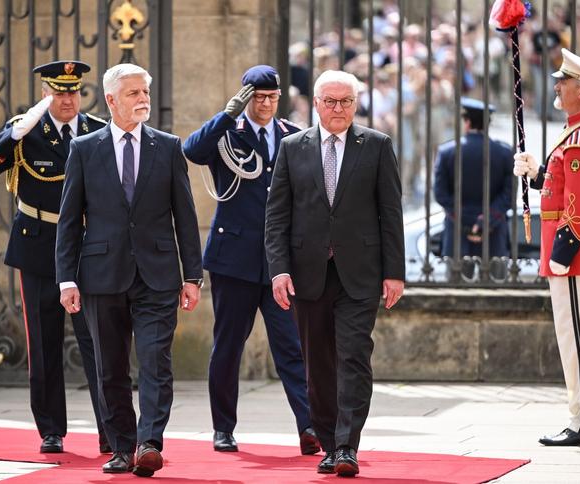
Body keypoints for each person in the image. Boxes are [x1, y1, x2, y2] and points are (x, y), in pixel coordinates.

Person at [55, 63, 203, 477]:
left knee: (156, 361)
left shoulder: (168, 147)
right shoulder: (85, 148)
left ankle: (150, 442)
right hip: (101, 275)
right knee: (110, 367)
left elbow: (185, 217)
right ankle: (121, 446)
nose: (143, 100)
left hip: (158, 274)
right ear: (112, 100)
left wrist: (193, 276)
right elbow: (69, 220)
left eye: (146, 92)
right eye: (134, 93)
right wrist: (66, 278)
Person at [265, 70, 405, 477]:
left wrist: (393, 272)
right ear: (315, 103)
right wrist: (278, 271)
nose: (338, 108)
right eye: (330, 101)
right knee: (318, 363)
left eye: (345, 101)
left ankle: (347, 446)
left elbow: (390, 212)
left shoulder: (376, 146)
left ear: (356, 104)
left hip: (359, 274)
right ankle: (327, 441)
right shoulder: (293, 148)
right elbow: (277, 216)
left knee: (354, 357)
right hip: (308, 273)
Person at [0, 60, 108, 455]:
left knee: (98, 341)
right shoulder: (26, 131)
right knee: (44, 343)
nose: (67, 100)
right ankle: (51, 429)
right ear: (46, 93)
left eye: (73, 92)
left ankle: (110, 428)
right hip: (38, 244)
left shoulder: (97, 130)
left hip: (86, 247)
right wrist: (12, 134)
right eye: (59, 92)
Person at [182, 65, 319, 455]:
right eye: (258, 98)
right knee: (228, 346)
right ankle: (223, 427)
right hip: (235, 259)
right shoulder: (228, 133)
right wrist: (227, 114)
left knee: (292, 346)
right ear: (246, 97)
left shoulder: (292, 135)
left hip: (280, 263)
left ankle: (309, 425)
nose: (266, 104)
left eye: (272, 98)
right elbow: (192, 150)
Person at [514, 48, 580, 447]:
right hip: (573, 254)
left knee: (577, 337)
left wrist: (562, 253)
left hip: (575, 254)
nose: (557, 85)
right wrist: (538, 173)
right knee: (573, 336)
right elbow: (563, 190)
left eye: (564, 81)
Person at [433, 98, 513, 274]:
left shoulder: (447, 152)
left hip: (457, 233)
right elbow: (509, 195)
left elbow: (440, 193)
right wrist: (484, 221)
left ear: (467, 122)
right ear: (488, 124)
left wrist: (466, 221)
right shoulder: (504, 153)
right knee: (497, 294)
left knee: (455, 294)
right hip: (494, 235)